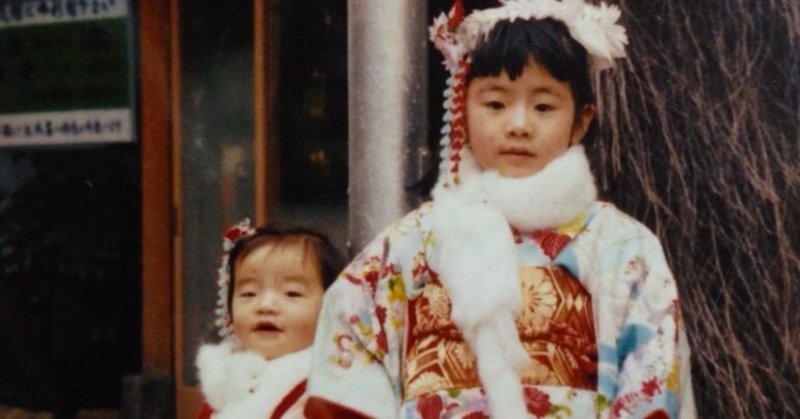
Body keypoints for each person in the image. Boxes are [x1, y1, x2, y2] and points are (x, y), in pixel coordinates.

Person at [305, 0, 696, 418]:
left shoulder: (620, 245)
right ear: (461, 114)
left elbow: (652, 372)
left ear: (580, 122)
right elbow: (349, 357)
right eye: (495, 104)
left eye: (544, 106)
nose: (519, 124)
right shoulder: (406, 246)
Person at [195, 220, 343, 419]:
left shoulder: (329, 389)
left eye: (292, 293)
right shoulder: (223, 380)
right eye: (249, 294)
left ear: (330, 306)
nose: (265, 306)